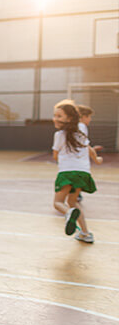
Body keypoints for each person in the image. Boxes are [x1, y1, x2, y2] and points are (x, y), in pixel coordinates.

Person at [52, 100, 102, 243]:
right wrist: (97, 160)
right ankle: (85, 233)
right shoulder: (81, 133)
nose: (55, 118)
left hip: (67, 172)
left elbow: (55, 155)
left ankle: (68, 213)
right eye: (55, 115)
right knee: (73, 201)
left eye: (59, 116)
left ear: (69, 119)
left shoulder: (59, 135)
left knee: (58, 203)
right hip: (83, 172)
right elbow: (88, 148)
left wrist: (60, 160)